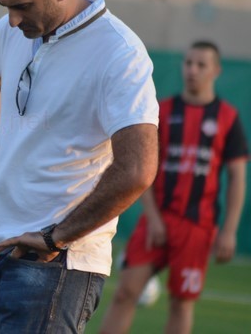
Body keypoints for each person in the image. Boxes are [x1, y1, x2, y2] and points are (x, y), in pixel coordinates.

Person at [0, 0, 160, 333]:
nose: (13, 19)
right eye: (5, 6)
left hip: (59, 267)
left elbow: (137, 168)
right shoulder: (12, 28)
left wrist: (56, 238)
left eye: (22, 5)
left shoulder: (119, 53)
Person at [100, 41, 248, 334]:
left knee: (181, 303)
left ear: (216, 71)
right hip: (156, 219)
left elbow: (237, 178)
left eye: (201, 65)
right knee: (125, 292)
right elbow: (145, 167)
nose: (192, 70)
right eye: (188, 63)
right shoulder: (162, 111)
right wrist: (153, 217)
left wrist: (229, 230)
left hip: (197, 226)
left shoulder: (227, 118)